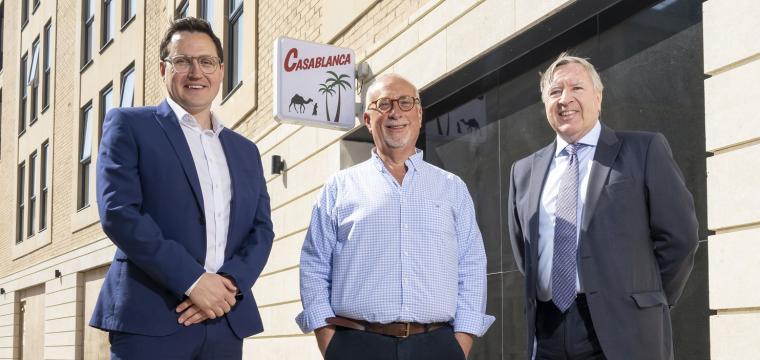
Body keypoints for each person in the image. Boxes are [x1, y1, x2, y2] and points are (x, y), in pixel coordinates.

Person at [90, 17, 273, 359]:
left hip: (224, 319)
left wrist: (227, 287)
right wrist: (193, 281)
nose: (196, 72)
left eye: (206, 62)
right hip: (151, 319)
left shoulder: (246, 150)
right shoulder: (129, 125)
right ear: (163, 68)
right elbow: (119, 212)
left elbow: (261, 230)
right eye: (182, 61)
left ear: (220, 70)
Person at [507, 53, 699, 360]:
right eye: (555, 92)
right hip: (548, 332)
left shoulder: (643, 150)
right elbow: (525, 252)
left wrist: (646, 299)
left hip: (624, 330)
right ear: (545, 104)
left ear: (598, 97)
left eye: (576, 88)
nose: (564, 99)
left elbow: (680, 238)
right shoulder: (523, 171)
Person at [296, 74, 494, 360]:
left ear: (419, 113)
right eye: (383, 104)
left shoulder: (452, 187)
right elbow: (314, 264)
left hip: (437, 346)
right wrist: (329, 341)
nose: (395, 112)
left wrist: (461, 341)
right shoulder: (339, 187)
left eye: (405, 102)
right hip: (356, 346)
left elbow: (472, 264)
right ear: (367, 119)